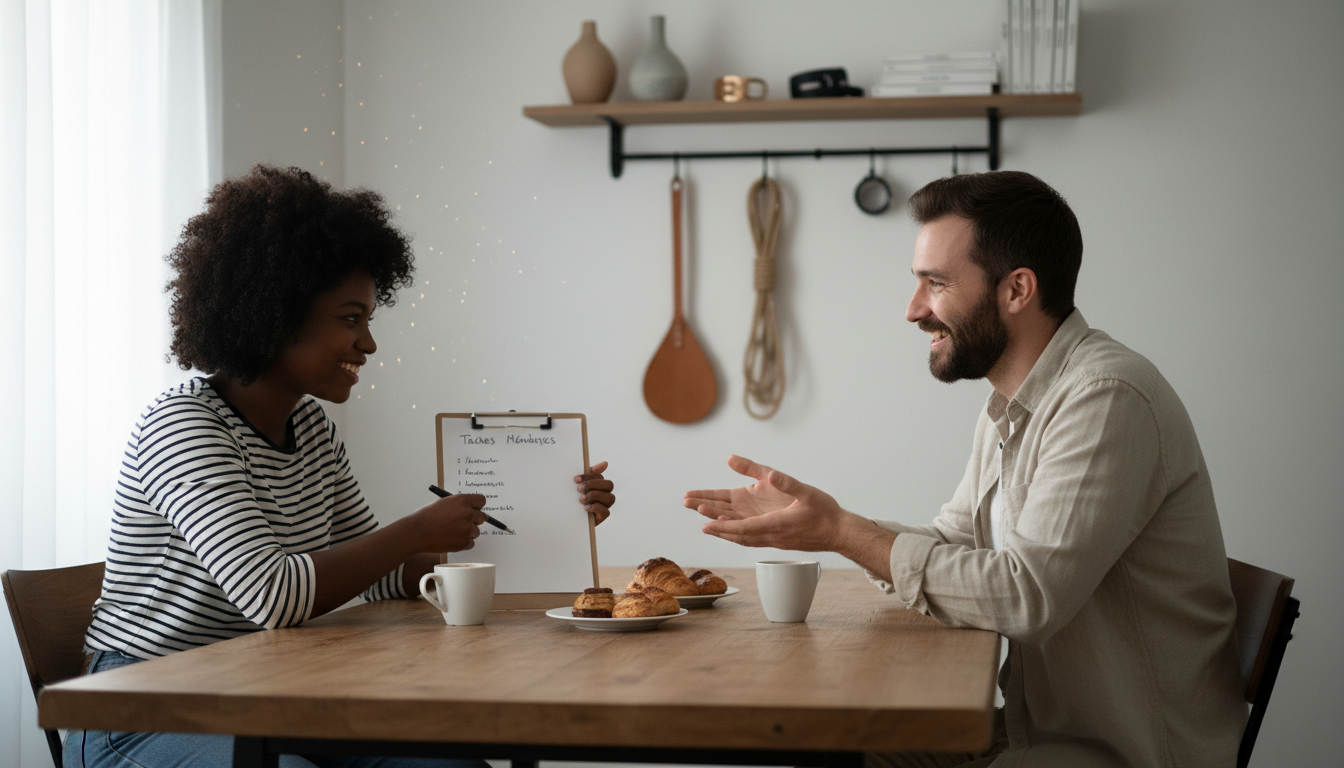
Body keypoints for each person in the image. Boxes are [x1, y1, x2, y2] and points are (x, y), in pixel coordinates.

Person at [683, 171, 1245, 768]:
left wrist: (842, 534)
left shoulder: (1106, 397)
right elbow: (956, 539)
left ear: (1017, 289)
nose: (913, 309)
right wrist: (829, 523)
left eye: (937, 283)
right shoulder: (1013, 400)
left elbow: (1027, 596)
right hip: (1034, 730)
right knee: (841, 747)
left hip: (1126, 752)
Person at [68, 164, 616, 768]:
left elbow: (378, 575)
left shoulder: (310, 428)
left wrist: (556, 524)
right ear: (274, 315)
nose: (369, 344)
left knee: (450, 765)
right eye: (350, 319)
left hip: (265, 692)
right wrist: (415, 529)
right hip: (144, 708)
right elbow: (274, 596)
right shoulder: (184, 428)